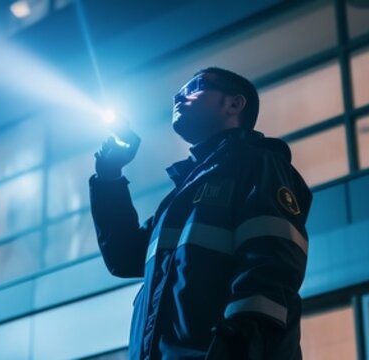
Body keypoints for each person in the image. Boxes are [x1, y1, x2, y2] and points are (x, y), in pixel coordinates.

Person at [89, 67, 312, 359]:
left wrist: (238, 347)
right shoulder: (179, 199)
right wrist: (109, 176)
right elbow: (125, 257)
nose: (178, 96)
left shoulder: (259, 165)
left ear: (234, 104)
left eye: (196, 86)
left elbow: (271, 262)